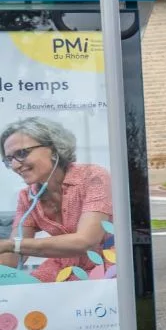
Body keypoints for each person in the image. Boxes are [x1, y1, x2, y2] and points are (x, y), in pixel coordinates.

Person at [0, 117, 113, 283]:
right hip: (64, 267)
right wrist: (7, 249)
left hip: (106, 266)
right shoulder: (27, 197)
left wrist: (11, 245)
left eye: (22, 153)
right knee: (27, 293)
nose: (15, 166)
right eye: (9, 159)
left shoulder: (93, 177)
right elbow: (11, 260)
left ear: (54, 149)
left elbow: (86, 241)